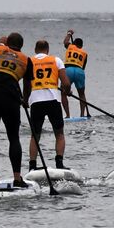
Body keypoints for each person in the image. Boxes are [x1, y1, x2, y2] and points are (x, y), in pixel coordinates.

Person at [0, 33, 31, 188]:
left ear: (7, 44)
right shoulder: (26, 59)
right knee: (13, 138)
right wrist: (25, 100)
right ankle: (17, 178)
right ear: (21, 45)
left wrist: (2, 44)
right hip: (11, 97)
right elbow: (27, 85)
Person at [27, 39, 69, 171]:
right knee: (59, 134)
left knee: (35, 135)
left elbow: (26, 83)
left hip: (35, 101)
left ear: (35, 49)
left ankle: (32, 166)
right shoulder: (56, 60)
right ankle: (59, 163)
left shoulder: (29, 61)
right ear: (48, 49)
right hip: (53, 100)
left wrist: (25, 99)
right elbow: (66, 83)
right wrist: (67, 91)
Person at [62, 30, 88, 118]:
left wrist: (69, 34)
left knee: (63, 93)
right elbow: (83, 67)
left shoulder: (70, 46)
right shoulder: (84, 53)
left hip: (68, 70)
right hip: (79, 71)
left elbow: (65, 42)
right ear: (81, 46)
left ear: (74, 43)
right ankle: (82, 115)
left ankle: (67, 115)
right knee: (81, 94)